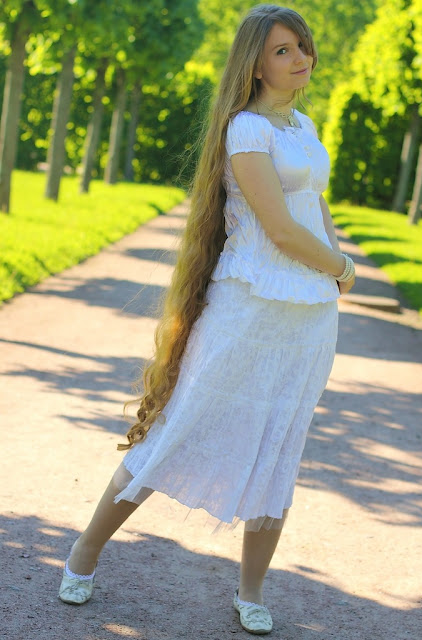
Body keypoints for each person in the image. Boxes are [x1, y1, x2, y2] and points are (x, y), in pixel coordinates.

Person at [58, 3, 356, 635]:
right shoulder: (248, 130)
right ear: (253, 62)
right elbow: (277, 229)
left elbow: (312, 207)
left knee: (280, 444)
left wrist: (335, 260)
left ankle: (251, 590)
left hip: (307, 320)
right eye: (282, 50)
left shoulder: (303, 126)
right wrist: (343, 268)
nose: (300, 57)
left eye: (302, 46)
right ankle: (84, 552)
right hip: (248, 308)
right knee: (178, 428)